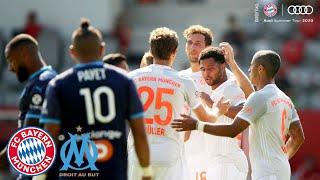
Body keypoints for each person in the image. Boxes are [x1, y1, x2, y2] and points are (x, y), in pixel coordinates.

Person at [40, 19, 151, 180]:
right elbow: (140, 133)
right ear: (102, 49)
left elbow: (49, 137)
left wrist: (41, 176)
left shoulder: (58, 85)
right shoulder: (123, 81)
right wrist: (146, 172)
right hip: (113, 173)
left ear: (72, 52)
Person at [172, 49, 305, 180]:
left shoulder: (258, 97)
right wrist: (281, 158)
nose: (248, 70)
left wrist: (196, 125)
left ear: (260, 69)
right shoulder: (285, 99)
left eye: (251, 66)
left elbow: (232, 130)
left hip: (262, 171)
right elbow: (298, 137)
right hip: (280, 169)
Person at [127, 27, 230, 180]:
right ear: (174, 52)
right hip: (169, 154)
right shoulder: (183, 81)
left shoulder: (131, 77)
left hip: (138, 153)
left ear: (151, 50)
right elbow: (207, 119)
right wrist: (218, 110)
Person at [179, 25, 244, 179]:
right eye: (189, 42)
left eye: (198, 43)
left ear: (207, 47)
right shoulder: (179, 77)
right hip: (188, 153)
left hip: (215, 154)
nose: (193, 47)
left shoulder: (224, 76)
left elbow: (245, 103)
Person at [0, 34, 57, 178]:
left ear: (25, 54)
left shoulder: (43, 83)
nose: (10, 68)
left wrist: (5, 158)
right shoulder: (37, 81)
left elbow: (32, 134)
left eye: (11, 60)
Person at [197, 46, 248, 180]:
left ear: (223, 66)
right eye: (203, 69)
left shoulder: (230, 88)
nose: (206, 74)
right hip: (219, 162)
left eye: (211, 68)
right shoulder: (217, 91)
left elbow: (244, 113)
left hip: (227, 162)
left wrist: (211, 104)